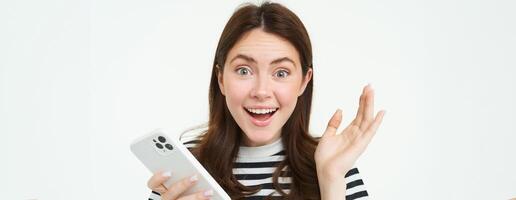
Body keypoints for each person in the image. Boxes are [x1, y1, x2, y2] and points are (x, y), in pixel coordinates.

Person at [146, 2, 385, 200]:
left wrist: (331, 181)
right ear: (221, 79)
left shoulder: (334, 165)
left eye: (281, 73)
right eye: (243, 71)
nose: (261, 91)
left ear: (304, 81)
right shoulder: (184, 173)